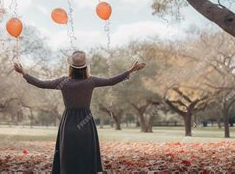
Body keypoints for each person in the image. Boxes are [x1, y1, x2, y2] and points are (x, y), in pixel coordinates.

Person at [13, 50, 146, 174]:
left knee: (68, 155)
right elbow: (111, 81)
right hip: (86, 124)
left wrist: (24, 73)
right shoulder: (91, 81)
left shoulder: (63, 81)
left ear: (70, 67)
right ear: (85, 67)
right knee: (86, 155)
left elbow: (41, 83)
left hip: (68, 123)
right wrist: (131, 70)